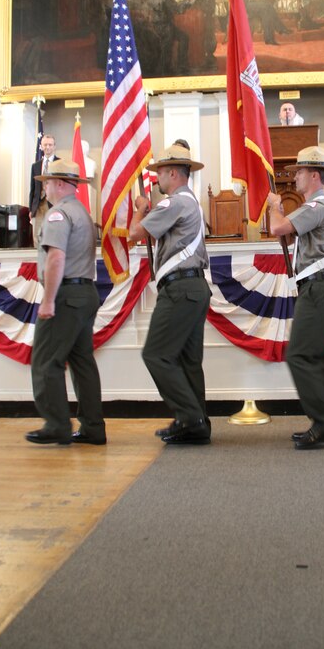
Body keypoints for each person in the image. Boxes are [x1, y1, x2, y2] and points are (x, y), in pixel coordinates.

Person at [128, 144, 212, 445]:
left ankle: (190, 417)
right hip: (193, 287)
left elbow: (135, 234)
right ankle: (197, 424)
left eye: (160, 173)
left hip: (180, 288)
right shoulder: (190, 202)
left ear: (173, 173)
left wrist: (140, 210)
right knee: (188, 360)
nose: (156, 179)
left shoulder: (175, 202)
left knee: (157, 354)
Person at [267, 146, 324, 450]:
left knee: (300, 355)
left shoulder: (319, 205)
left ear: (314, 175)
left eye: (299, 172)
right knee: (316, 359)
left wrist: (275, 205)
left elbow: (277, 228)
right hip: (316, 288)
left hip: (318, 289)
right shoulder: (315, 206)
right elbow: (288, 235)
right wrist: (280, 214)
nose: (294, 177)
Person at [25, 160, 106, 446]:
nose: (44, 187)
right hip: (85, 294)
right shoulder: (82, 212)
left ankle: (57, 424)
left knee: (46, 359)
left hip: (66, 295)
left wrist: (48, 301)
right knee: (82, 362)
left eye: (47, 182)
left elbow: (56, 257)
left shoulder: (58, 215)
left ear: (60, 183)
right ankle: (93, 427)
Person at [28, 134, 59, 245]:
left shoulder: (60, 163)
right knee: (37, 236)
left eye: (50, 145)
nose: (47, 147)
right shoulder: (35, 166)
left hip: (54, 205)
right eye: (45, 144)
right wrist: (31, 209)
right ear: (41, 146)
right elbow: (32, 189)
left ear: (54, 146)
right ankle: (38, 260)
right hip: (38, 206)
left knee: (54, 234)